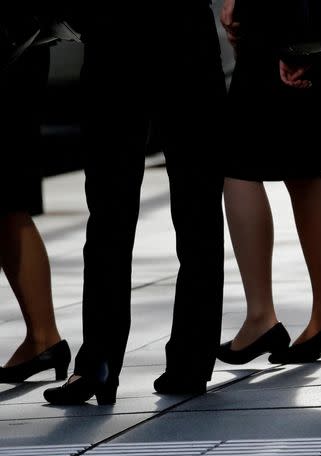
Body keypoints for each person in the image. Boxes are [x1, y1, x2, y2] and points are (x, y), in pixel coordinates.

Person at [44, 0, 227, 405]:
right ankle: (189, 361)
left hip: (115, 32)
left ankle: (98, 362)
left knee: (111, 210)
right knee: (196, 206)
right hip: (181, 31)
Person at [215, 0, 321, 366]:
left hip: (276, 16)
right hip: (301, 15)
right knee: (303, 160)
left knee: (238, 161)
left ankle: (262, 316)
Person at [0, 43, 70, 384]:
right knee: (9, 201)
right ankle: (43, 336)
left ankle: (43, 335)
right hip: (22, 44)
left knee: (8, 199)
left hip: (12, 47)